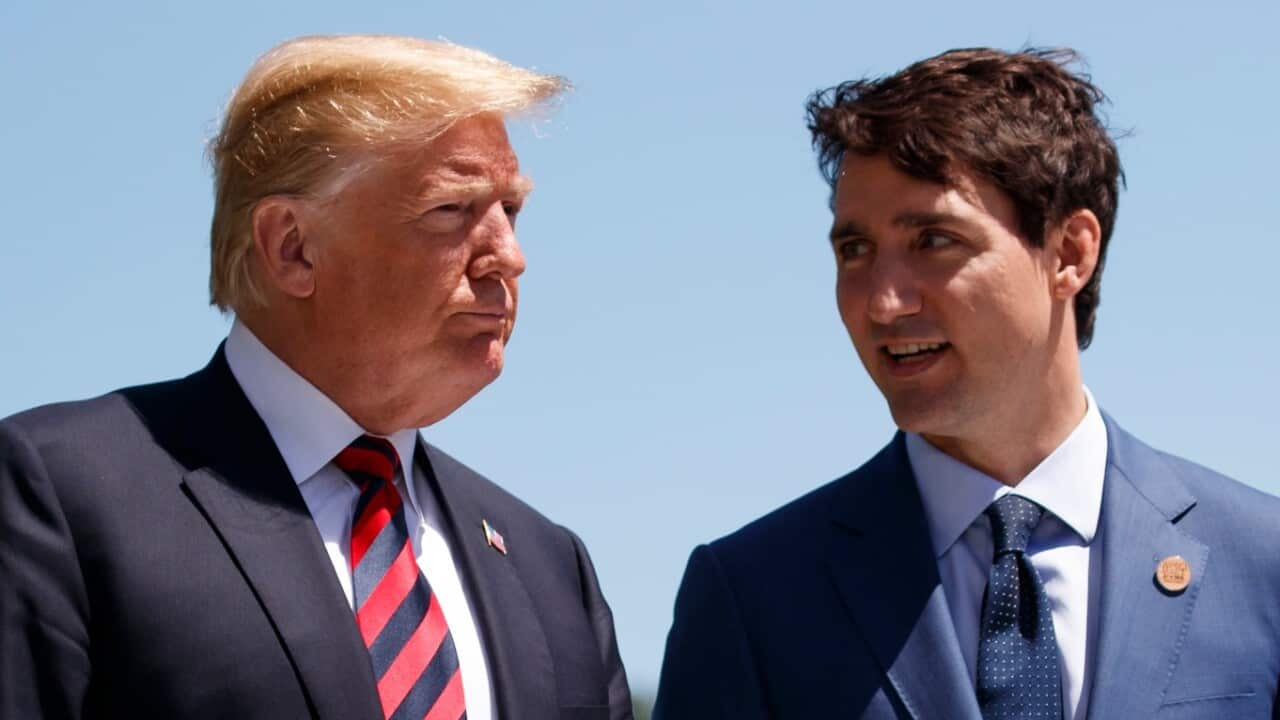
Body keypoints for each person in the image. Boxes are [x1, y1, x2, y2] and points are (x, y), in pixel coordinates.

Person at [1, 35, 631, 720]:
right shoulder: (60, 494)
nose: (509, 257)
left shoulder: (550, 567)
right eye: (453, 210)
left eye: (510, 211)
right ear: (292, 248)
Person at [653, 47, 1280, 719]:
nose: (882, 303)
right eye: (853, 250)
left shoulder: (1263, 565)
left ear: (1069, 253)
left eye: (934, 240)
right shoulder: (754, 596)